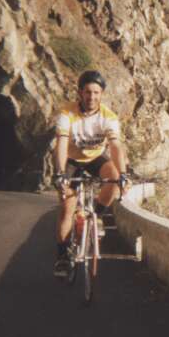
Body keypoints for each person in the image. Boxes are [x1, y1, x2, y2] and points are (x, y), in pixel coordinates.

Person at [52, 70, 129, 276]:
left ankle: (96, 214)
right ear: (80, 92)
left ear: (101, 94)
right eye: (87, 92)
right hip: (71, 160)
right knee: (67, 207)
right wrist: (60, 174)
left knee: (112, 178)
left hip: (95, 158)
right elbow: (60, 145)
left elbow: (115, 147)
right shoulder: (67, 113)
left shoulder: (108, 117)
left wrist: (123, 174)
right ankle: (61, 257)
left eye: (96, 92)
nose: (91, 97)